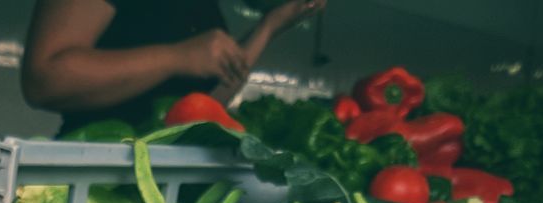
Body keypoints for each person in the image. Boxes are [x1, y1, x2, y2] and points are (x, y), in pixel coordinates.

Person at [22, 0, 325, 135]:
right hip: (92, 178)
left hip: (167, 184)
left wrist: (270, 26)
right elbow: (43, 78)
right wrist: (176, 57)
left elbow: (199, 107)